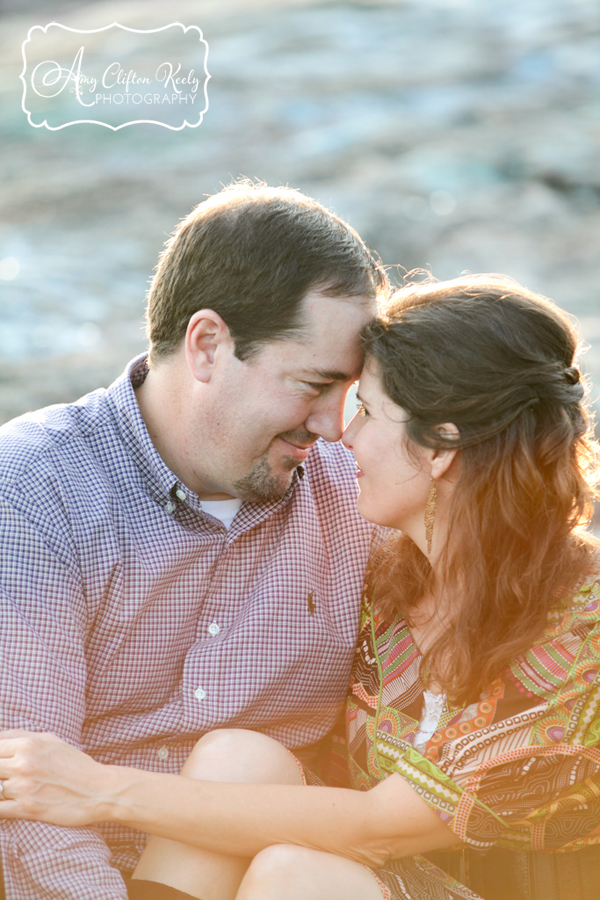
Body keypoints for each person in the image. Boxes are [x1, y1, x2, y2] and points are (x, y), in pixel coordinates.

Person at [0, 274, 598, 900]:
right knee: (238, 761)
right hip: (391, 880)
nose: (344, 434)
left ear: (442, 446)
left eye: (367, 409)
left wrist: (101, 791)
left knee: (295, 875)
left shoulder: (584, 630)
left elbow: (379, 831)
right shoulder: (392, 580)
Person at [0, 181, 389, 899]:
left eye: (352, 396)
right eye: (312, 384)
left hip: (281, 871)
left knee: (250, 769)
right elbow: (22, 794)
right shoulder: (34, 491)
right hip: (82, 881)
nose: (334, 427)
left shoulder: (357, 493)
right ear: (207, 344)